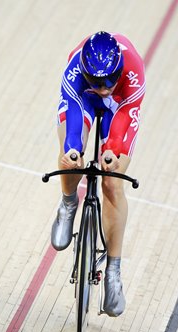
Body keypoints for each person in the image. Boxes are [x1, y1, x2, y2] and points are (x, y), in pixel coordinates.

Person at [52, 31, 145, 317]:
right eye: (97, 82)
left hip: (121, 108)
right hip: (82, 101)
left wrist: (112, 152)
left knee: (112, 182)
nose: (103, 88)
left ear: (119, 71)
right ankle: (68, 203)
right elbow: (74, 120)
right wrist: (72, 148)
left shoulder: (133, 74)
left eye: (109, 81)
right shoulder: (75, 72)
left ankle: (114, 272)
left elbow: (122, 127)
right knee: (72, 157)